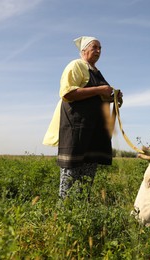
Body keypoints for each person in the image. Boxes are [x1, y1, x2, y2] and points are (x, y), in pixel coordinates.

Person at [43, 36, 122, 199]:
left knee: (87, 174)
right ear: (84, 50)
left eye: (100, 48)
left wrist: (114, 97)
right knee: (71, 171)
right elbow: (68, 93)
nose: (99, 51)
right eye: (95, 47)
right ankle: (65, 210)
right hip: (76, 127)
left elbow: (100, 98)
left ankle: (81, 207)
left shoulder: (96, 72)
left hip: (93, 130)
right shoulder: (76, 65)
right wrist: (100, 90)